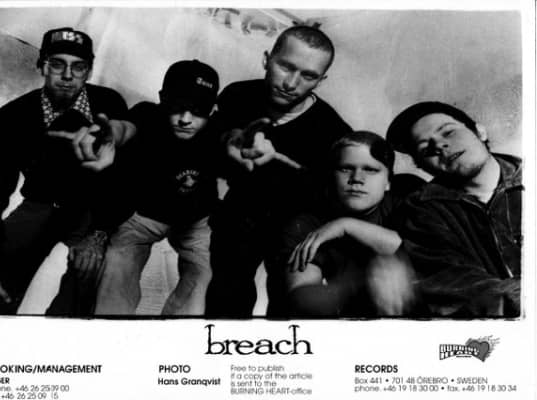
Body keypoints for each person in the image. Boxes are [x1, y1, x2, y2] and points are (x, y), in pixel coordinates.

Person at [205, 25, 353, 318]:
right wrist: (230, 140)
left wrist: (283, 163)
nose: (291, 83)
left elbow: (333, 196)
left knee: (287, 310)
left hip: (296, 226)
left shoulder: (333, 132)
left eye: (308, 76)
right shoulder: (237, 95)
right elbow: (215, 137)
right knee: (225, 300)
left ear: (321, 80)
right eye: (286, 66)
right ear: (267, 59)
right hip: (240, 216)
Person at [0, 27, 132, 314]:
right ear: (41, 65)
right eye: (57, 64)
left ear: (89, 71)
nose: (68, 75)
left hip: (91, 209)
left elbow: (123, 178)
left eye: (78, 67)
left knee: (90, 274)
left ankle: (66, 332)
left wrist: (99, 233)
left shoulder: (109, 104)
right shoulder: (12, 117)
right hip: (41, 204)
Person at [94, 60, 220, 316]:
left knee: (206, 277)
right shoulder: (147, 114)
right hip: (144, 217)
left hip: (194, 221)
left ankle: (173, 335)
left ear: (212, 110)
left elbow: (233, 140)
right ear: (163, 99)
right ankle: (111, 333)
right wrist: (110, 135)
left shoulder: (218, 127)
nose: (185, 119)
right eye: (178, 107)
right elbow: (126, 128)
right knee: (114, 271)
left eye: (198, 111)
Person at [386, 101, 522, 317]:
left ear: (480, 132)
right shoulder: (423, 211)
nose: (439, 145)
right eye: (425, 148)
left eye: (448, 132)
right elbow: (454, 284)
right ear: (421, 165)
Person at [283, 132, 421, 317]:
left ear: (388, 181)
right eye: (345, 168)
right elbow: (300, 296)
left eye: (370, 170)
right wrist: (362, 285)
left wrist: (347, 225)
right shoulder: (307, 224)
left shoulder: (408, 203)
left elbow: (423, 253)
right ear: (331, 175)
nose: (357, 178)